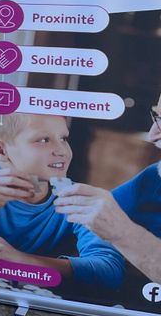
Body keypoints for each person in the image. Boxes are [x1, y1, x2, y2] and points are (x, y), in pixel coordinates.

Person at [0, 111, 124, 289]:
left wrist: (22, 260)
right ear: (0, 150)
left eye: (64, 138)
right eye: (43, 140)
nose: (63, 151)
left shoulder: (77, 199)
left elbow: (109, 270)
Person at [54, 115, 161, 283]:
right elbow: (95, 221)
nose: (151, 136)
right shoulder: (153, 177)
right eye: (157, 118)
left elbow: (106, 269)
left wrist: (124, 233)